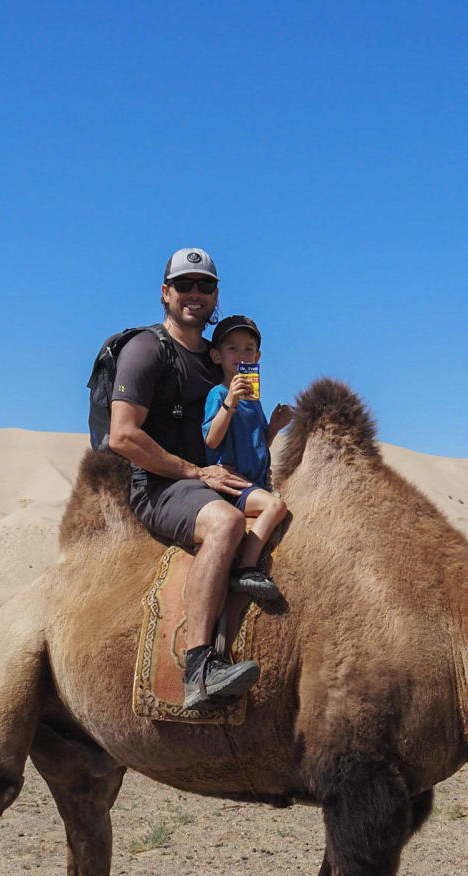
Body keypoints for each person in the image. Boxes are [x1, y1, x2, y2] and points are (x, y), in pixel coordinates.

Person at [107, 248, 261, 711]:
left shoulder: (218, 360)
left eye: (205, 286)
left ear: (216, 295)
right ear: (165, 292)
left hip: (215, 480)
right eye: (185, 285)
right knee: (225, 525)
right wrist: (195, 471)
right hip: (161, 486)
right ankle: (201, 668)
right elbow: (123, 436)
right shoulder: (147, 350)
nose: (195, 294)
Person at [202, 315, 292, 602]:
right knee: (276, 507)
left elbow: (257, 446)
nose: (241, 355)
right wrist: (230, 402)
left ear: (258, 356)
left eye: (248, 349)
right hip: (233, 486)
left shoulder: (254, 400)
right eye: (233, 348)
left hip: (255, 484)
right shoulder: (218, 394)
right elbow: (212, 440)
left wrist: (274, 428)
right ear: (216, 355)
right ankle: (246, 568)